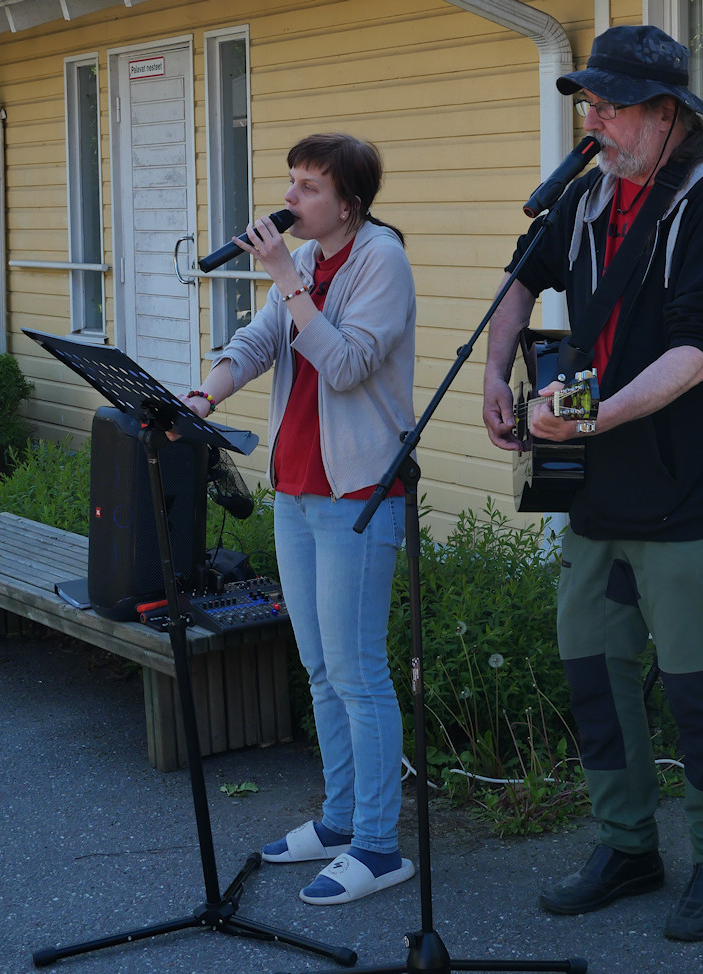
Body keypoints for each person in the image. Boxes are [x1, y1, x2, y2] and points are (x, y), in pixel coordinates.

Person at [482, 25, 703, 942]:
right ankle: (627, 845)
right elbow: (520, 284)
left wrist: (589, 418)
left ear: (666, 115)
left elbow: (700, 352)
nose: (593, 119)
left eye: (610, 105)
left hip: (689, 493)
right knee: (593, 673)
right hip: (597, 490)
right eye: (588, 103)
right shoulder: (585, 195)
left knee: (696, 689)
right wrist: (498, 375)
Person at [178, 133, 416, 905]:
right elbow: (259, 341)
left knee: (359, 672)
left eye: (309, 187)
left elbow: (346, 364)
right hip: (298, 488)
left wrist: (284, 277)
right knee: (319, 668)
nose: (290, 200)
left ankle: (380, 845)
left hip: (357, 495)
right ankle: (342, 819)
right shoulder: (308, 263)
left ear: (349, 201)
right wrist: (205, 394)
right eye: (291, 183)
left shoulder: (380, 261)